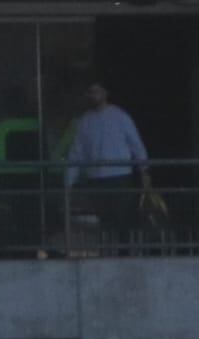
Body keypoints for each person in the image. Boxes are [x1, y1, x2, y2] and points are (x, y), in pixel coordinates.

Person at [63, 80, 150, 237]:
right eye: (91, 92)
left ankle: (123, 255)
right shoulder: (85, 121)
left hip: (119, 177)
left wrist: (144, 171)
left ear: (105, 93)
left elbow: (135, 144)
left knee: (123, 221)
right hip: (97, 179)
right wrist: (69, 181)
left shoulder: (120, 116)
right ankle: (108, 254)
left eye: (97, 91)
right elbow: (77, 152)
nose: (94, 95)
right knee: (104, 222)